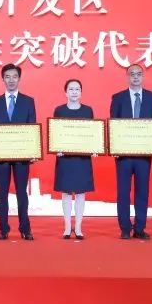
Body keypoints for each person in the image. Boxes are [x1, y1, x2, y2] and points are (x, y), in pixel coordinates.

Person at [109, 63, 152, 240]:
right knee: (123, 192)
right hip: (123, 154)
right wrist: (114, 147)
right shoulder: (118, 98)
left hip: (144, 155)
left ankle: (140, 228)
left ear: (143, 76)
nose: (136, 77)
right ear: (127, 77)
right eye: (132, 74)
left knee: (142, 191)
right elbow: (113, 123)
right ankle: (125, 228)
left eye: (139, 73)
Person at [0, 63, 38, 241]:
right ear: (3, 79)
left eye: (14, 76)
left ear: (19, 79)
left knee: (22, 193)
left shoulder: (28, 101)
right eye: (7, 77)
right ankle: (3, 229)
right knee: (1, 193)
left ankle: (25, 228)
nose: (11, 80)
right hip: (0, 157)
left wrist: (32, 150)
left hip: (22, 156)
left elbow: (32, 128)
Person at [54, 79, 94, 240]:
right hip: (65, 158)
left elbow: (92, 133)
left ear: (81, 92)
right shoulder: (59, 110)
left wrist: (94, 148)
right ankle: (66, 227)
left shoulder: (88, 111)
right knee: (65, 192)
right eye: (71, 89)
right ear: (66, 92)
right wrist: (56, 148)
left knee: (81, 193)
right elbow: (55, 133)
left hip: (82, 158)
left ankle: (78, 227)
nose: (74, 92)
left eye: (77, 89)